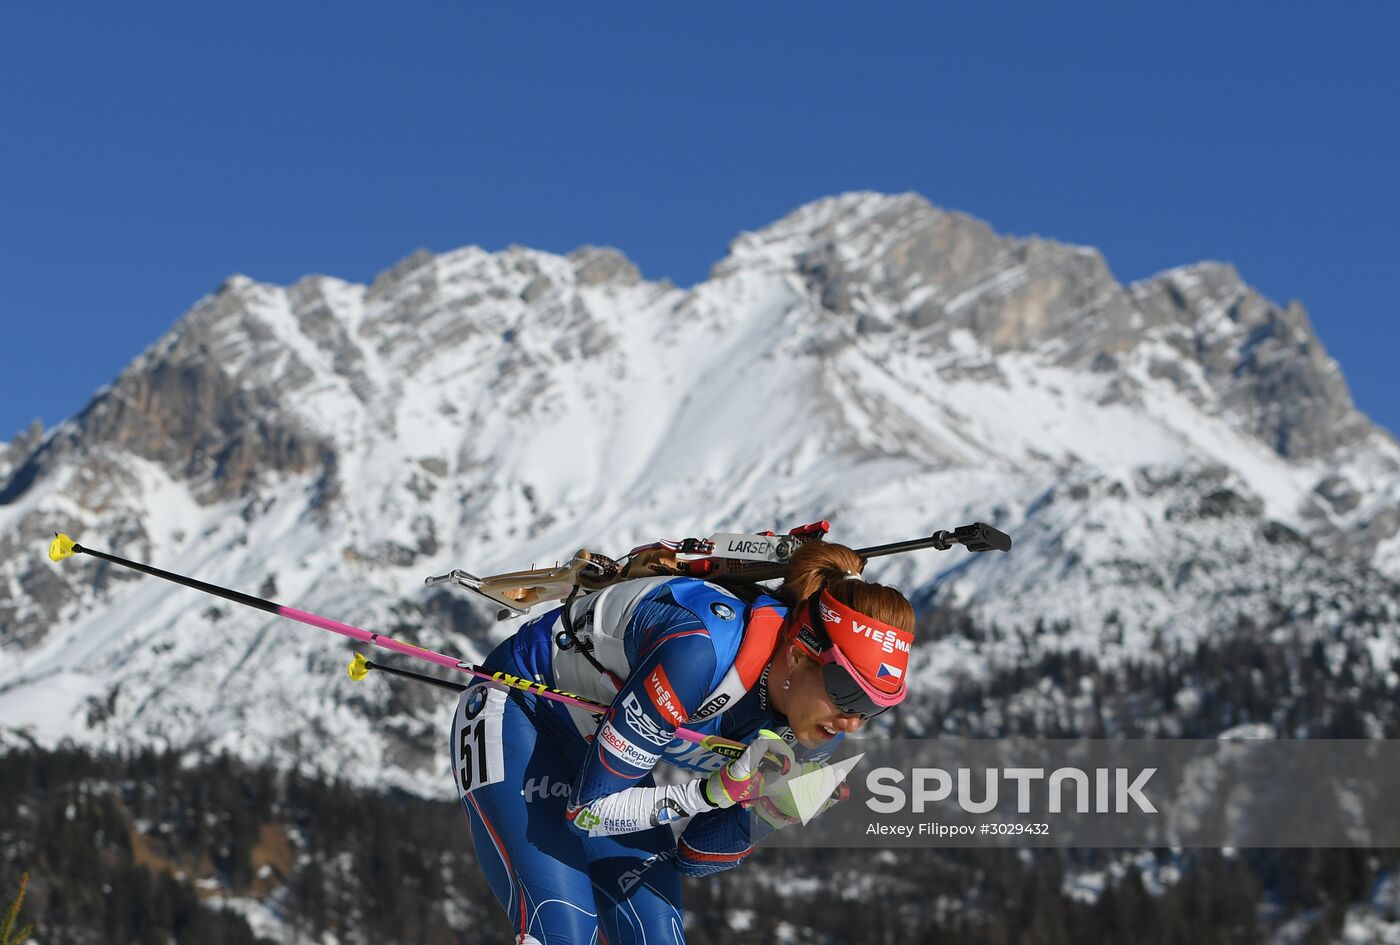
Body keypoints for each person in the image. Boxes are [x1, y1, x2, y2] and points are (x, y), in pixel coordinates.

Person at [449, 542, 916, 944]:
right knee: (560, 927)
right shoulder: (698, 651)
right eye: (848, 695)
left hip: (601, 749)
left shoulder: (814, 729)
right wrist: (709, 793)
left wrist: (769, 814)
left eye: (875, 707)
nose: (854, 722)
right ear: (798, 654)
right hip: (519, 710)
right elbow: (588, 812)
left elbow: (695, 856)